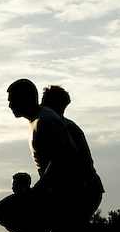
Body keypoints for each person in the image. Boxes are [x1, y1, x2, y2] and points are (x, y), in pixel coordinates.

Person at [0, 78, 94, 232]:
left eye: (11, 101)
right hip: (66, 192)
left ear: (25, 99)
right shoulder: (41, 119)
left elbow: (63, 158)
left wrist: (39, 190)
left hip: (69, 194)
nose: (8, 106)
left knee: (3, 210)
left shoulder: (46, 121)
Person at [41, 85, 104, 218]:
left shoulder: (61, 127)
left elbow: (75, 160)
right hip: (85, 186)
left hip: (80, 188)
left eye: (45, 101)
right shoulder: (68, 126)